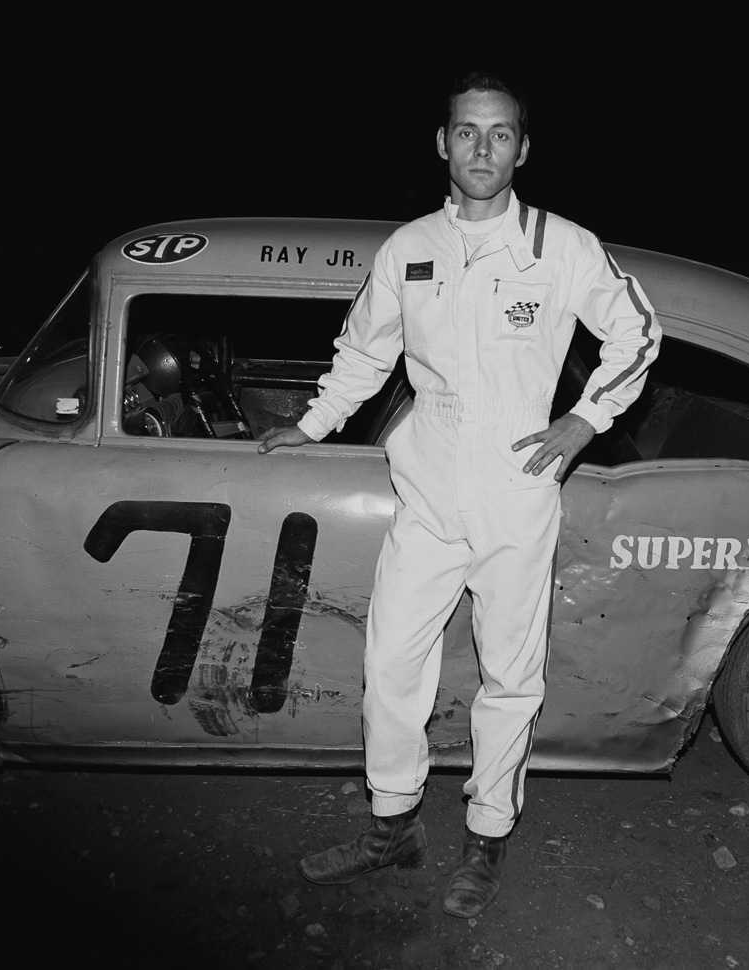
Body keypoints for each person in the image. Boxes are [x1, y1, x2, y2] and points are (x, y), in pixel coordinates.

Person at [257, 72, 661, 918]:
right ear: (442, 144)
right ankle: (392, 825)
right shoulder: (408, 248)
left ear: (523, 147)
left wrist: (584, 421)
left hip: (518, 492)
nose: (484, 149)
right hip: (429, 489)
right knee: (391, 661)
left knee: (510, 677)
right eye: (468, 133)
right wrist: (315, 424)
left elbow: (639, 330)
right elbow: (364, 352)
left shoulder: (563, 247)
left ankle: (488, 836)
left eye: (501, 134)